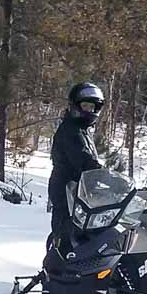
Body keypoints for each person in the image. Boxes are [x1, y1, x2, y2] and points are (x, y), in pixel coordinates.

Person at [48, 82, 106, 245]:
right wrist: (105, 175)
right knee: (67, 237)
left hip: (78, 191)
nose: (90, 111)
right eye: (86, 106)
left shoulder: (82, 130)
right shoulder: (71, 131)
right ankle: (58, 268)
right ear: (76, 105)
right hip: (66, 190)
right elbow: (84, 161)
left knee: (82, 236)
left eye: (93, 107)